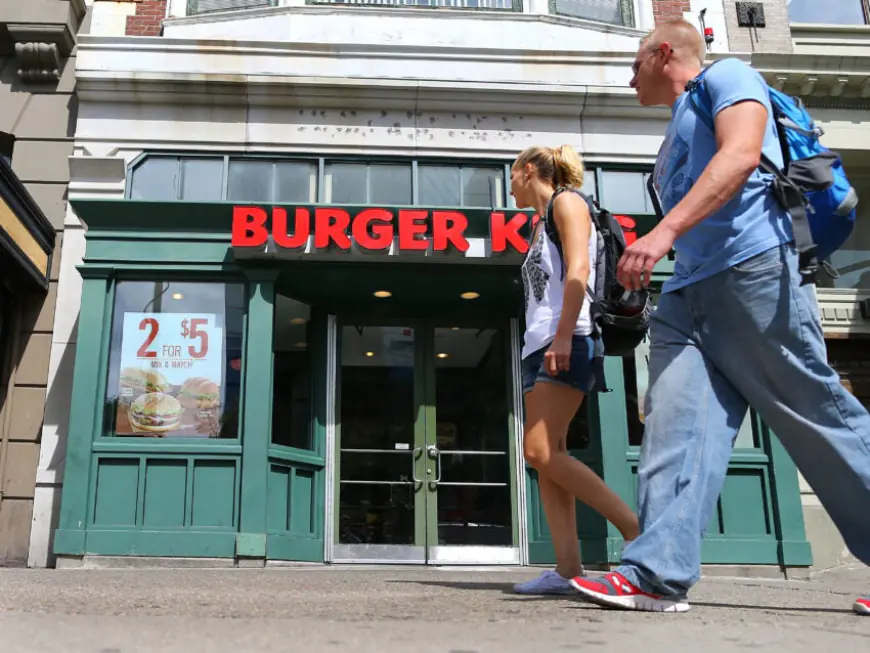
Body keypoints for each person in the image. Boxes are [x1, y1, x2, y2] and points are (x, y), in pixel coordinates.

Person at [569, 19, 870, 615]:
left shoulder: (728, 76)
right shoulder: (672, 136)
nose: (630, 81)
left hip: (753, 270)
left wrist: (663, 233)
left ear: (663, 53)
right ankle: (654, 574)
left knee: (816, 418)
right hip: (688, 294)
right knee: (674, 427)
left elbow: (740, 155)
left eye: (634, 67)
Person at [509, 145, 640, 595]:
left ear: (529, 171)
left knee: (539, 452)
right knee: (550, 460)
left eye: (511, 175)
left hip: (569, 337)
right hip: (539, 344)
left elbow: (580, 268)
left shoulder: (568, 202)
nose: (509, 186)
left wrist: (564, 334)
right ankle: (568, 571)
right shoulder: (538, 223)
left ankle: (639, 535)